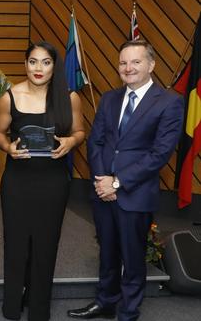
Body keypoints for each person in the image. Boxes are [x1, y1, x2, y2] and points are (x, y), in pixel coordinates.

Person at [67, 40, 184, 321]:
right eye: (123, 63)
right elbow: (96, 142)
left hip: (135, 193)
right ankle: (105, 302)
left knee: (132, 259)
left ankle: (129, 312)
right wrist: (101, 180)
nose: (128, 68)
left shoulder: (170, 102)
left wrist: (117, 182)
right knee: (107, 253)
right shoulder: (109, 98)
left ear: (151, 65)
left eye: (135, 62)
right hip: (102, 189)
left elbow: (160, 153)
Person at [0, 41, 85, 321]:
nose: (38, 68)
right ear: (25, 64)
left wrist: (70, 141)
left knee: (46, 243)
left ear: (54, 66)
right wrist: (8, 148)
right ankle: (12, 305)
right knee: (17, 243)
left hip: (53, 182)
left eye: (45, 62)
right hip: (17, 182)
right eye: (33, 61)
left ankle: (38, 307)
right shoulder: (9, 96)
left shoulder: (68, 98)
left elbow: (80, 131)